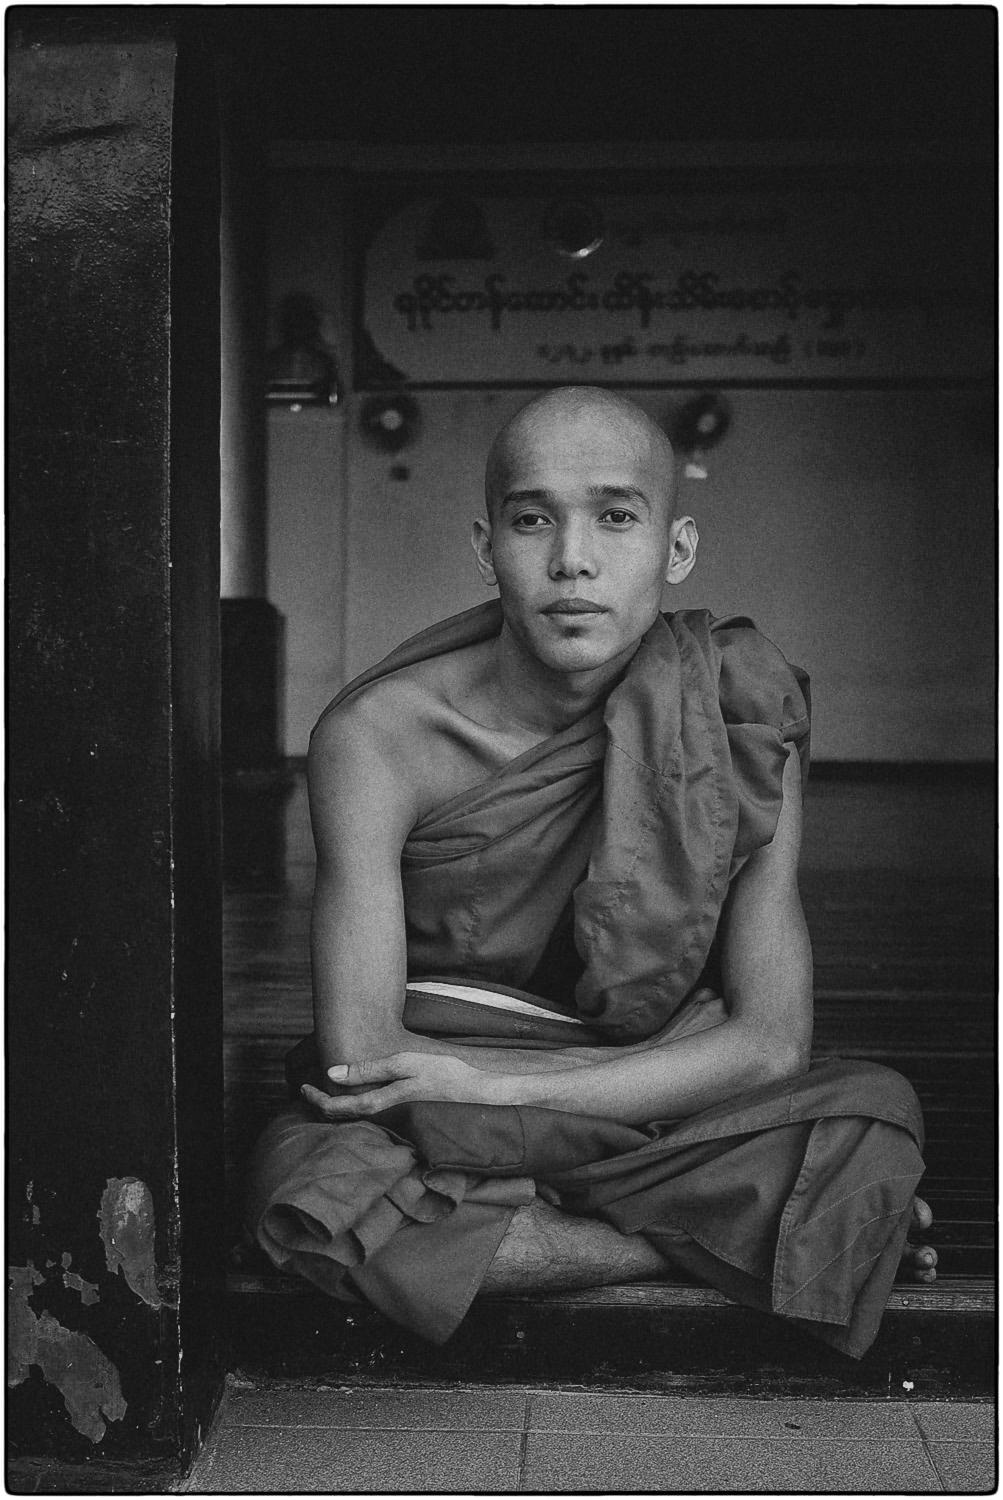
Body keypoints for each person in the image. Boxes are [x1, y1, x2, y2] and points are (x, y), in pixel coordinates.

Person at [247, 386, 936, 1356]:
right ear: (487, 548)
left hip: (568, 1090)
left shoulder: (741, 708)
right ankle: (741, 1235)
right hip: (453, 1108)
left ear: (677, 548)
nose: (572, 559)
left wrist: (504, 1094)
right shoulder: (378, 740)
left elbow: (773, 1043)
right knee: (314, 1199)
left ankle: (692, 1226)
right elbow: (367, 1061)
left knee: (875, 1113)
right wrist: (484, 1097)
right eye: (533, 521)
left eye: (616, 517)